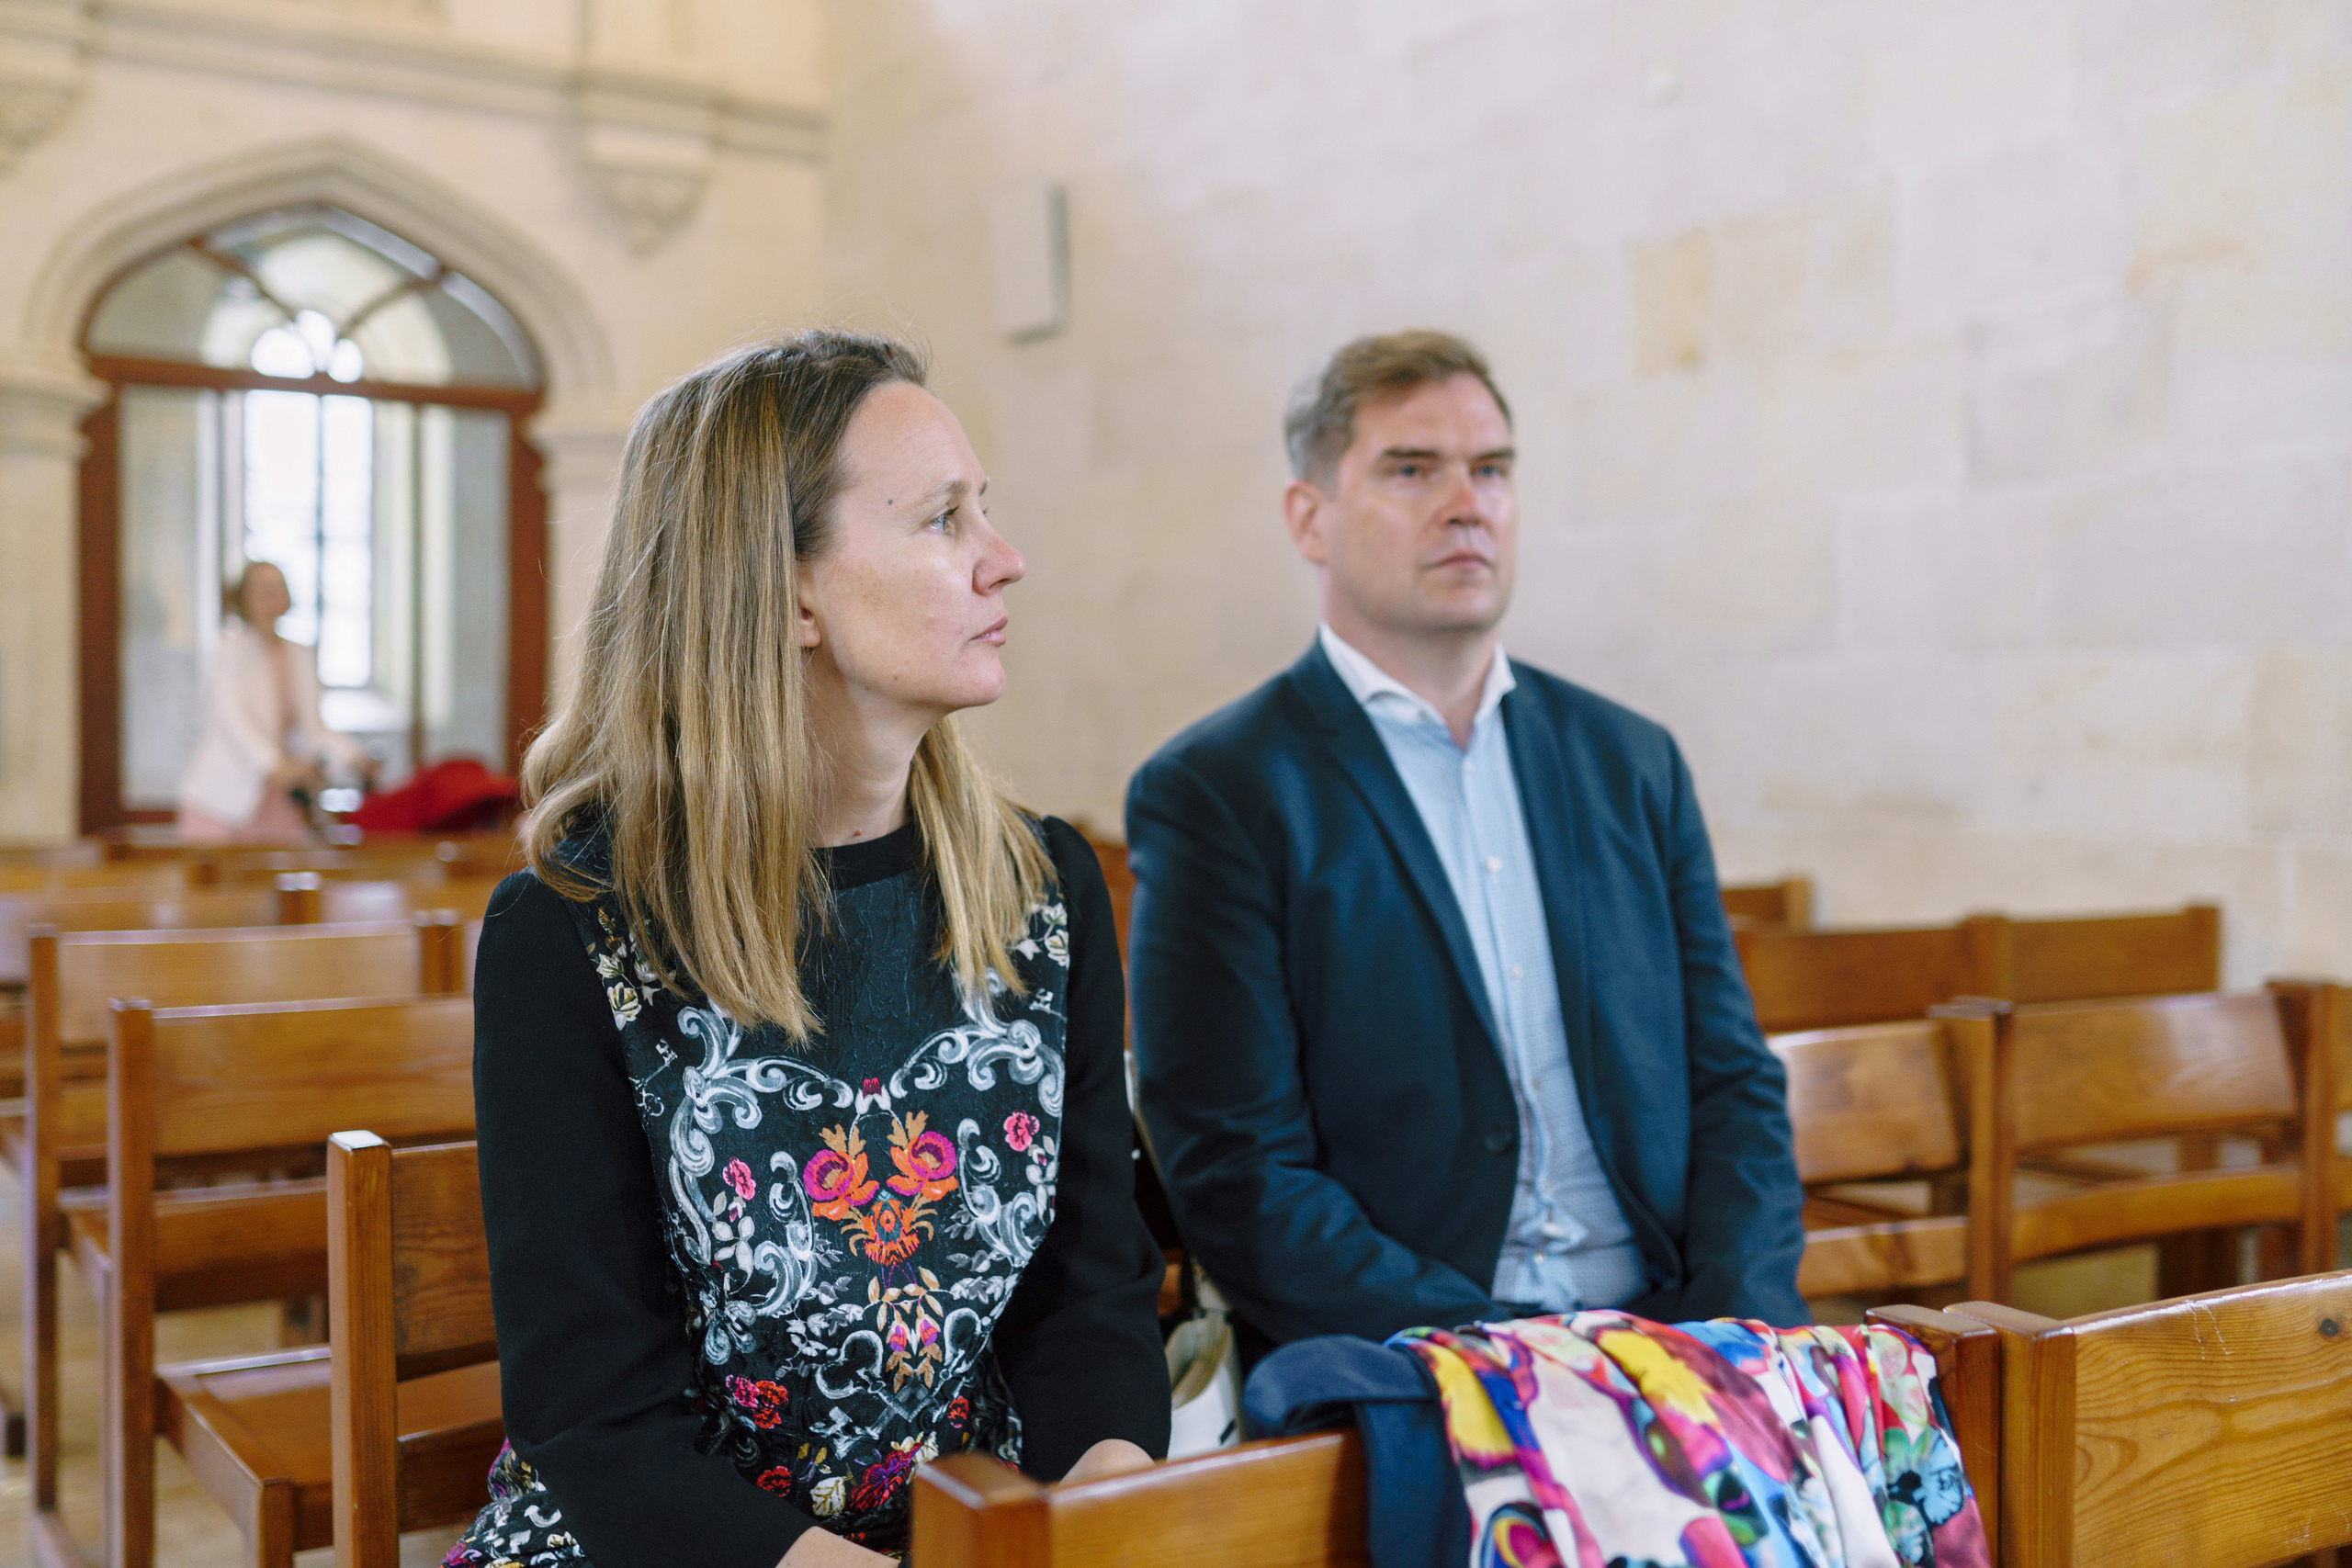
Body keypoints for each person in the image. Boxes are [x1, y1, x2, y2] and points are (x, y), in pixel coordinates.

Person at [455, 333, 1168, 1568]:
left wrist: (1100, 1518)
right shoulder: (571, 931)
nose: (1006, 560)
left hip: (970, 1527)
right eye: (944, 519)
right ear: (783, 592)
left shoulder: (1044, 885)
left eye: (982, 510)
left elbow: (1091, 1294)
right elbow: (600, 1419)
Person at [1126, 331, 1805, 1360]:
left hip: (1674, 1340)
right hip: (1411, 1361)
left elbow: (1731, 1083)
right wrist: (1513, 1356)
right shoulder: (1219, 793)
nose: (1466, 503)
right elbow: (1236, 1172)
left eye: (1490, 470)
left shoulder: (1630, 761)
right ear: (1309, 519)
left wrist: (1729, 1336)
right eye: (1411, 470)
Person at [175, 560, 374, 840]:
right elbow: (232, 719)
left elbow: (314, 728)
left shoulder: (300, 654)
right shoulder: (229, 650)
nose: (273, 596)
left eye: (279, 588)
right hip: (224, 799)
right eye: (263, 589)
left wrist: (352, 756)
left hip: (278, 801)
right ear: (244, 597)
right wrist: (275, 766)